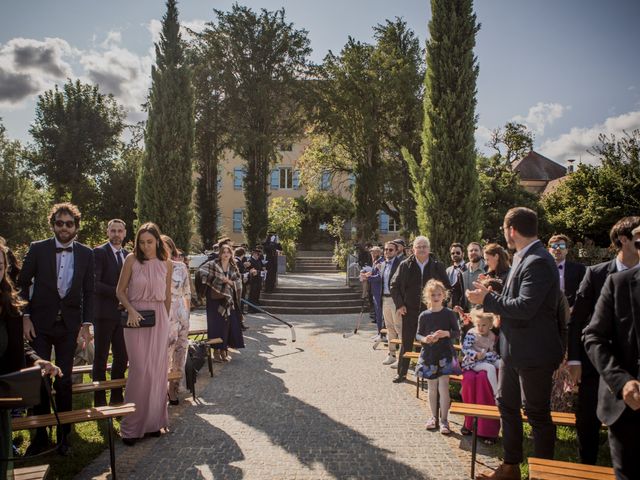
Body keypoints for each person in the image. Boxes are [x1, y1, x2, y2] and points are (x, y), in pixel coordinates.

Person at [467, 207, 563, 480]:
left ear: (511, 230)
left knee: (537, 415)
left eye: (504, 229)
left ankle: (544, 473)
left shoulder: (539, 260)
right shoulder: (524, 257)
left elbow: (525, 307)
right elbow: (517, 295)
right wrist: (493, 290)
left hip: (534, 352)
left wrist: (485, 299)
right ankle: (511, 467)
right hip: (511, 349)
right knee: (506, 405)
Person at [17, 202, 94, 455]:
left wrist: (86, 324)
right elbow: (22, 283)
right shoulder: (38, 249)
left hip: (69, 326)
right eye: (59, 223)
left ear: (76, 227)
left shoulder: (86, 253)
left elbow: (89, 292)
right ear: (53, 225)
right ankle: (39, 436)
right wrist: (25, 316)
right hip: (39, 324)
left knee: (64, 381)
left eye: (69, 223)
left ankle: (64, 437)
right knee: (39, 379)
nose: (64, 227)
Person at [568, 216, 640, 465]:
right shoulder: (597, 274)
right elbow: (578, 321)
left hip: (632, 367)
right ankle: (586, 465)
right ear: (624, 239)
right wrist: (574, 359)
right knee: (587, 419)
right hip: (596, 364)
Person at [1, 246, 62, 477]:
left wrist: (38, 361)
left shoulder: (9, 302)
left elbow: (19, 345)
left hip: (2, 394)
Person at [116, 223, 172, 445]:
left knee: (157, 371)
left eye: (150, 242)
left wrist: (166, 322)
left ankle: (153, 423)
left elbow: (167, 296)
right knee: (139, 370)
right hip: (135, 318)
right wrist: (130, 309)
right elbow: (119, 291)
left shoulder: (166, 264)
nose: (146, 246)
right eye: (142, 242)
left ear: (157, 241)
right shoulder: (131, 260)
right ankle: (131, 428)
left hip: (159, 318)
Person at [390, 236, 450, 383]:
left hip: (431, 313)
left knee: (430, 343)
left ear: (429, 249)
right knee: (407, 343)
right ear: (413, 249)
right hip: (409, 312)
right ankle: (402, 373)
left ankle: (429, 373)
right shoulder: (405, 265)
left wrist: (441, 306)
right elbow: (394, 285)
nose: (422, 249)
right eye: (419, 246)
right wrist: (400, 304)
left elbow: (447, 287)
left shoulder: (437, 266)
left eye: (424, 246)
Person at [415, 279, 460, 435]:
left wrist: (446, 333)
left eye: (439, 294)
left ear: (444, 296)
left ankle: (444, 420)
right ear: (428, 296)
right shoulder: (424, 315)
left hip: (445, 354)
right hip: (429, 354)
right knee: (432, 388)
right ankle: (433, 417)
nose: (436, 297)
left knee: (444, 387)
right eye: (433, 294)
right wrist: (425, 339)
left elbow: (457, 332)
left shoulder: (448, 314)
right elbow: (418, 334)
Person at [92, 219, 129, 407]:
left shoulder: (128, 254)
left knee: (122, 357)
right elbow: (95, 284)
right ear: (108, 232)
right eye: (113, 230)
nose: (116, 234)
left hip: (123, 316)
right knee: (100, 357)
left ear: (124, 233)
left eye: (119, 231)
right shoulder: (99, 253)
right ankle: (99, 399)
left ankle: (116, 396)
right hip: (104, 315)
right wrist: (119, 293)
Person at [199, 243, 245, 362]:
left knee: (226, 325)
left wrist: (229, 281)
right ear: (220, 254)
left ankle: (224, 350)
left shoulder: (233, 267)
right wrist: (217, 281)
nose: (225, 254)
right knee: (215, 325)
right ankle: (215, 352)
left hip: (228, 301)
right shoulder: (213, 264)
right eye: (223, 252)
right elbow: (201, 272)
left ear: (231, 254)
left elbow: (238, 283)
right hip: (214, 299)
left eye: (228, 252)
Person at [162, 236, 191, 406]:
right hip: (164, 313)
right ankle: (162, 389)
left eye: (167, 247)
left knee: (180, 351)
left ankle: (174, 388)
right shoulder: (154, 267)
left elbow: (187, 292)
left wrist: (186, 314)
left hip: (181, 313)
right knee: (165, 352)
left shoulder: (181, 267)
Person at [461, 309, 501, 397]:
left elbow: (493, 351)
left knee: (503, 364)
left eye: (484, 325)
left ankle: (505, 389)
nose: (480, 328)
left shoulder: (492, 336)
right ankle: (496, 393)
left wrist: (488, 355)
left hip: (487, 358)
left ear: (490, 325)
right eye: (478, 325)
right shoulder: (472, 333)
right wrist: (475, 355)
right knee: (490, 368)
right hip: (473, 362)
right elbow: (465, 348)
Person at [547, 234, 586, 307]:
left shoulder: (579, 269)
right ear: (549, 250)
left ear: (567, 250)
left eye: (561, 246)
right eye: (555, 246)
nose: (558, 248)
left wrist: (574, 308)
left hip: (571, 312)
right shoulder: (541, 269)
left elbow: (584, 292)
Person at [380, 241, 402, 365]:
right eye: (386, 249)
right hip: (385, 299)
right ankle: (392, 354)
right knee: (389, 328)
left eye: (390, 250)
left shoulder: (400, 264)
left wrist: (400, 302)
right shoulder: (383, 264)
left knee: (399, 328)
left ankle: (402, 358)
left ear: (396, 251)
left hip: (395, 300)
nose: (387, 252)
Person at [362, 246, 384, 330]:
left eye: (373, 252)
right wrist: (368, 274)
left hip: (379, 290)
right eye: (371, 252)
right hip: (374, 290)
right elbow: (374, 272)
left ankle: (381, 332)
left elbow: (379, 277)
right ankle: (379, 332)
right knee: (377, 312)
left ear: (378, 253)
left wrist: (368, 278)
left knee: (379, 313)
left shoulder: (381, 261)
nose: (372, 254)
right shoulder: (375, 261)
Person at [446, 242, 466, 309]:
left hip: (464, 307)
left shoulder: (468, 269)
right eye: (453, 253)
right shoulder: (448, 270)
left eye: (457, 253)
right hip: (450, 307)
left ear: (463, 254)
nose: (455, 254)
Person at [246, 246, 264, 313]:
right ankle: (250, 309)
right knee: (252, 295)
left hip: (259, 279)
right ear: (254, 254)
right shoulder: (250, 261)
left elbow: (261, 268)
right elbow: (250, 270)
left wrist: (263, 271)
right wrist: (258, 272)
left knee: (257, 294)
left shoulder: (259, 261)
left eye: (259, 254)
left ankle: (256, 307)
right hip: (253, 281)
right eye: (257, 254)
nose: (258, 255)